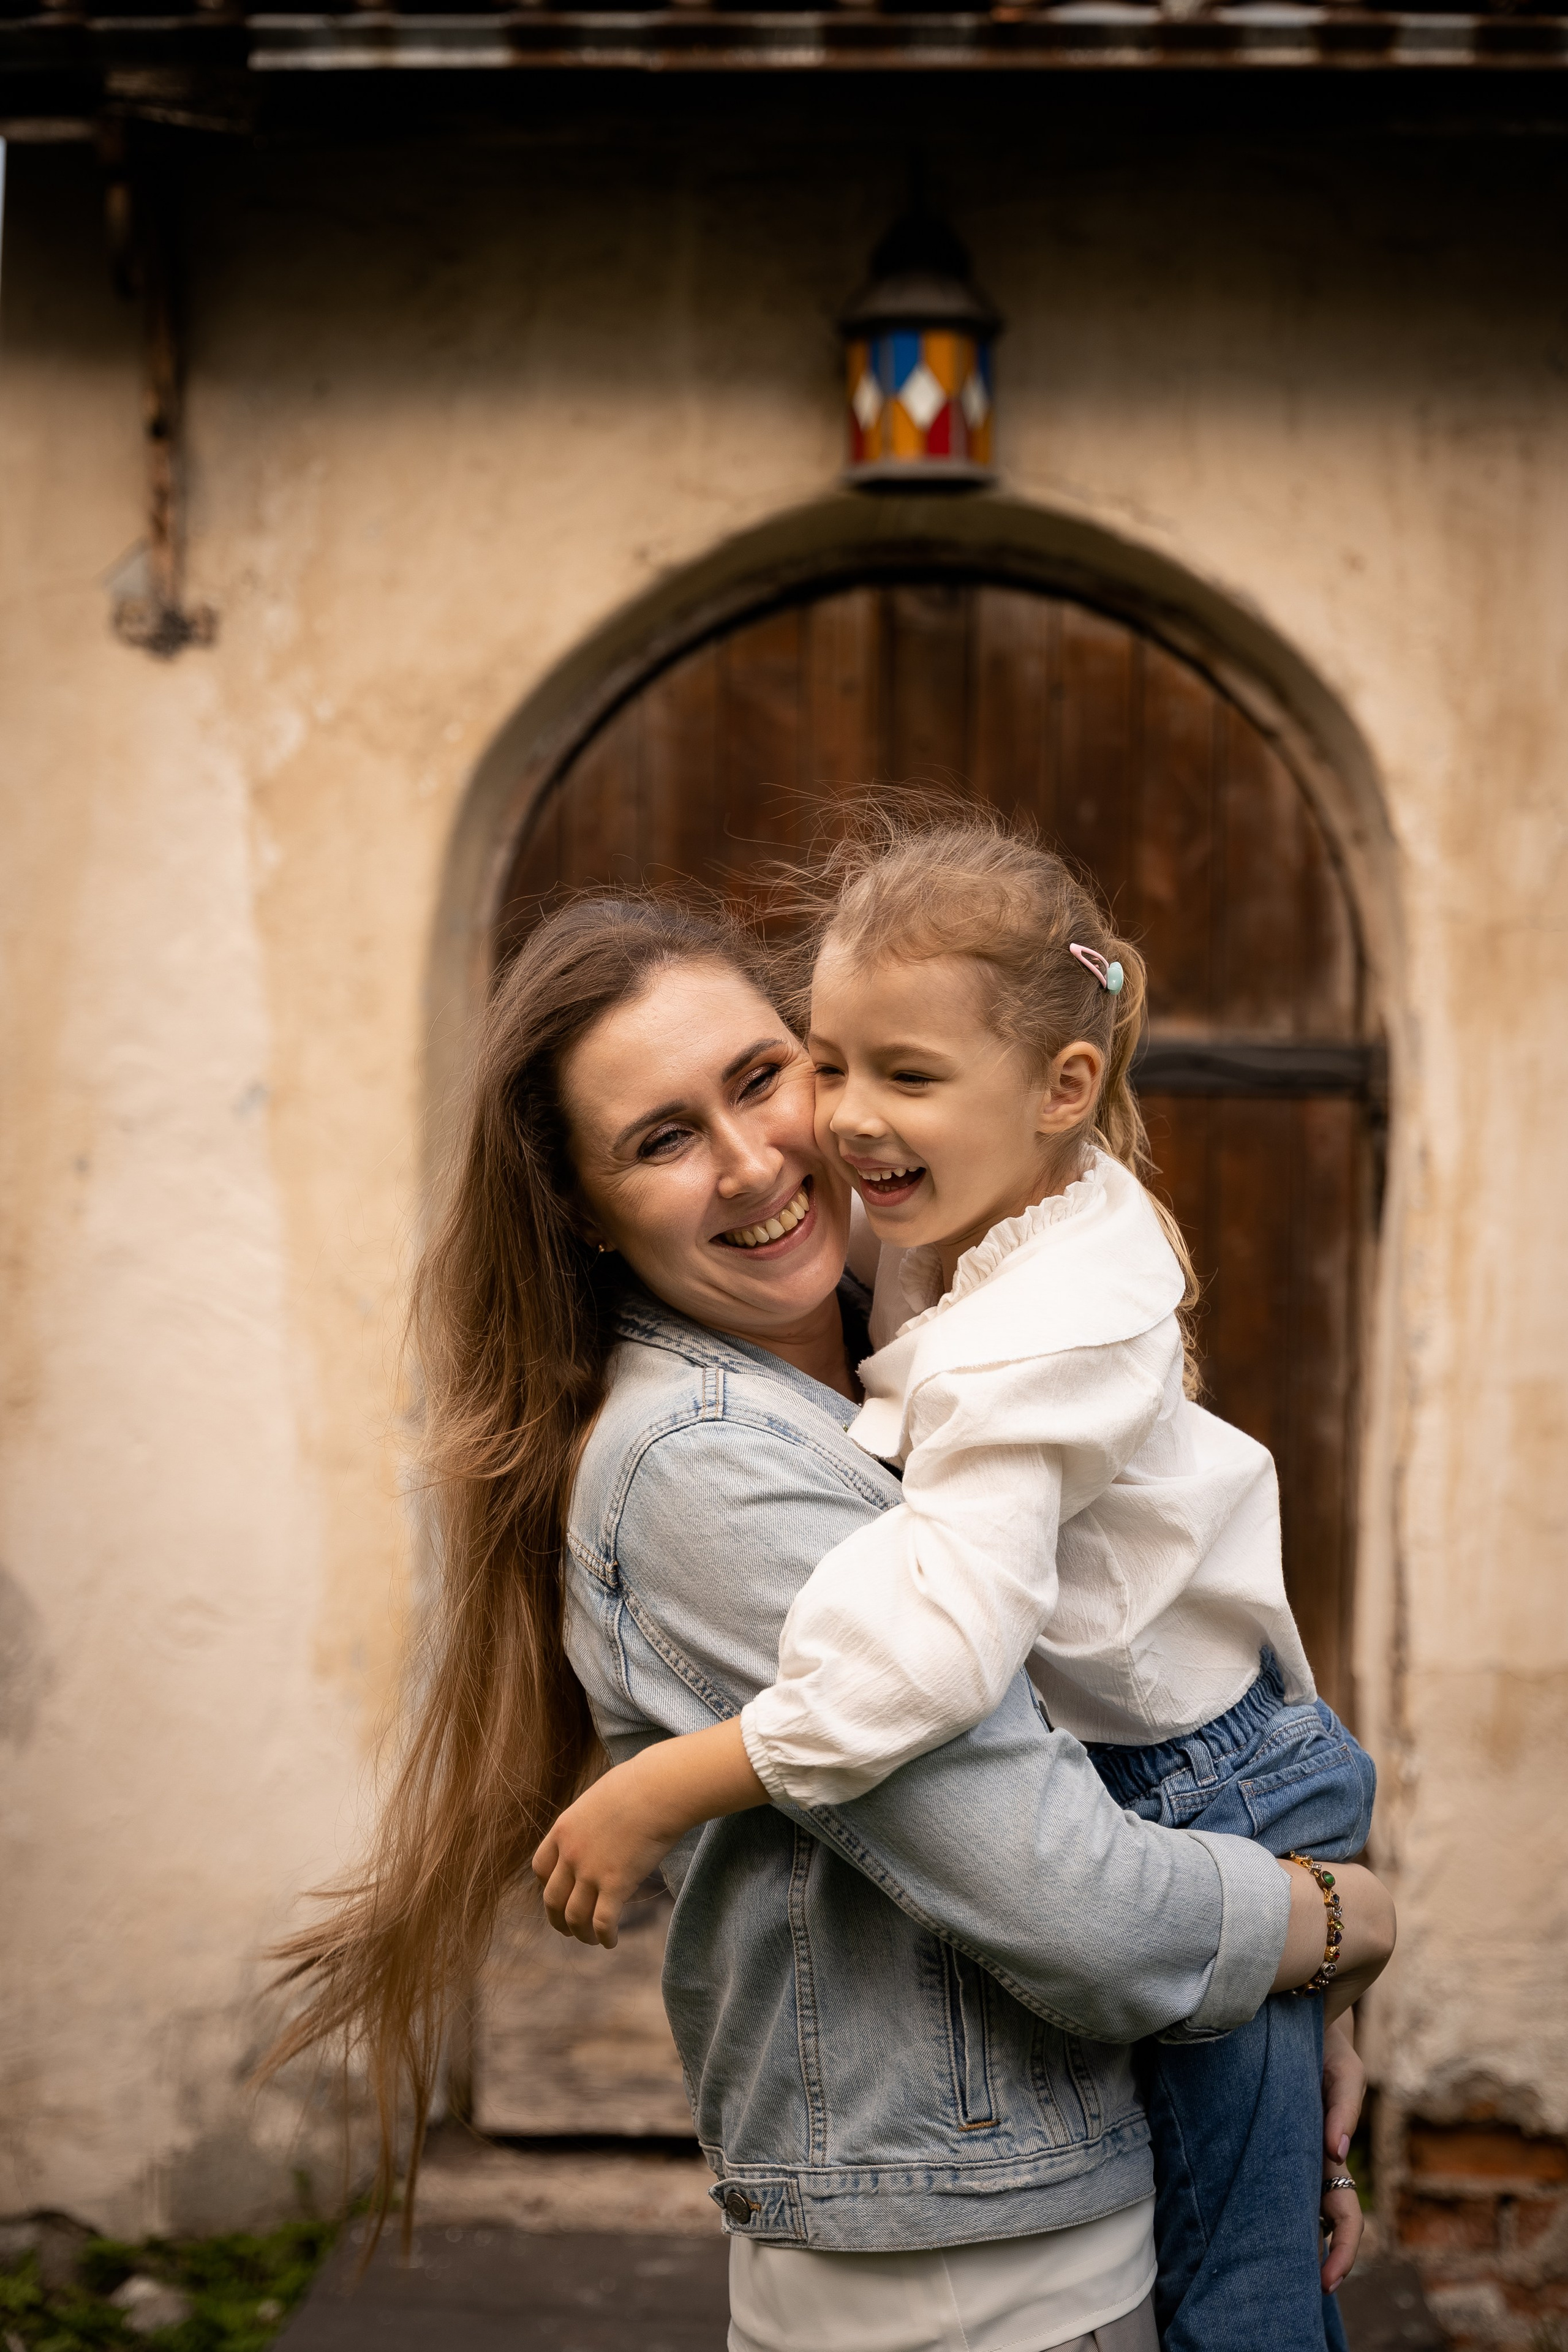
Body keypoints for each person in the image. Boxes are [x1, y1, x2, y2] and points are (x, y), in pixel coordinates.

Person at [267, 892, 1395, 2352]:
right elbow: (1076, 1906)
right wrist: (1337, 1921)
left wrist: (1301, 2025)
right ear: (582, 1211)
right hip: (969, 2290)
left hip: (1063, 2212)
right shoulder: (702, 1463)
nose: (754, 1161)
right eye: (662, 1140)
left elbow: (1169, 1644)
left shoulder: (936, 1321)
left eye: (760, 1077)